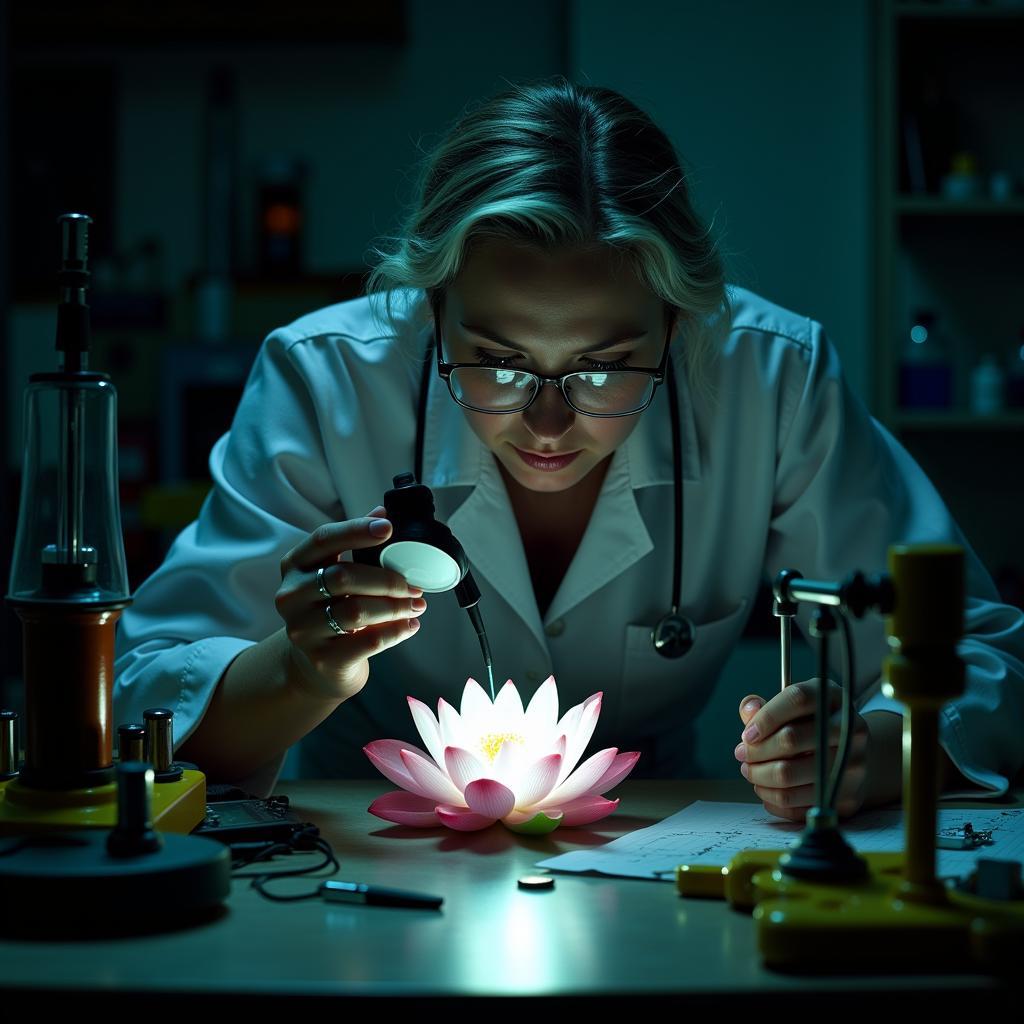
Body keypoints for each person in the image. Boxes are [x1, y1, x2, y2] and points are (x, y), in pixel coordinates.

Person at [114, 78, 1024, 820]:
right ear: (430, 312)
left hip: (654, 841)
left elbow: (982, 648)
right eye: (499, 362)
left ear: (679, 323)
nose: (547, 422)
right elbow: (144, 702)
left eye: (605, 367)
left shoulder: (771, 378)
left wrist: (875, 752)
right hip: (359, 845)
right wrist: (302, 671)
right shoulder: (326, 381)